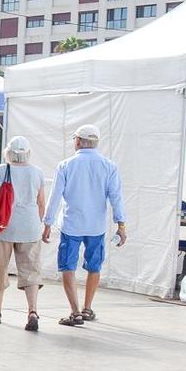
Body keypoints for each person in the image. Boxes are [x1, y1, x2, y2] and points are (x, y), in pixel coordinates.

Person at [45, 124, 126, 327]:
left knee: (67, 267)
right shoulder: (109, 166)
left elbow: (55, 197)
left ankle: (75, 311)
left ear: (78, 141)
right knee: (94, 266)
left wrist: (47, 223)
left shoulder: (65, 165)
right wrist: (121, 224)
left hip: (71, 225)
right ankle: (88, 307)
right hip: (96, 226)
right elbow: (116, 197)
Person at [0, 134, 49, 332]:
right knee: (31, 270)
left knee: (0, 267)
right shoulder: (37, 172)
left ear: (8, 152)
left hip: (5, 226)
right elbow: (41, 202)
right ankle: (32, 311)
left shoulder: (2, 170)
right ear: (28, 153)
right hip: (30, 227)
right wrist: (38, 223)